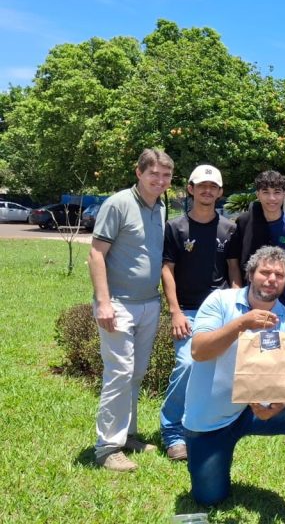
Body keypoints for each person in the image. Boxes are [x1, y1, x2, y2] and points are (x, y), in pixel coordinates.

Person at [183, 246, 285, 524]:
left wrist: (280, 403)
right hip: (210, 420)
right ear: (251, 274)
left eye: (279, 275)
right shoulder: (220, 301)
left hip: (255, 412)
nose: (272, 279)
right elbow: (199, 351)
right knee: (209, 497)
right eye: (265, 272)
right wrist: (242, 324)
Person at [89, 148, 174, 472]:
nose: (160, 180)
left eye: (166, 176)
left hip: (148, 303)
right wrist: (104, 302)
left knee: (136, 373)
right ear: (139, 173)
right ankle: (107, 447)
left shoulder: (161, 206)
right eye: (154, 174)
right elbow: (97, 254)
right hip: (119, 304)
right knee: (119, 373)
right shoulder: (118, 203)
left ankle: (128, 435)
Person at [159, 164, 235, 462]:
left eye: (212, 186)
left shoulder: (229, 229)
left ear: (219, 192)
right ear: (190, 188)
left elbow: (233, 271)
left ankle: (208, 425)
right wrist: (175, 311)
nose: (207, 191)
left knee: (220, 370)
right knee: (189, 364)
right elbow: (167, 269)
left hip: (220, 311)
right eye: (201, 185)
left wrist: (237, 309)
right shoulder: (175, 228)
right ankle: (172, 431)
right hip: (188, 311)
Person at [226, 170, 285, 316]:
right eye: (265, 192)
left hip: (284, 299)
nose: (272, 198)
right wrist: (236, 294)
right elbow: (233, 261)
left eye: (277, 192)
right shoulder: (244, 222)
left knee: (282, 338)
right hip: (250, 299)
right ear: (258, 194)